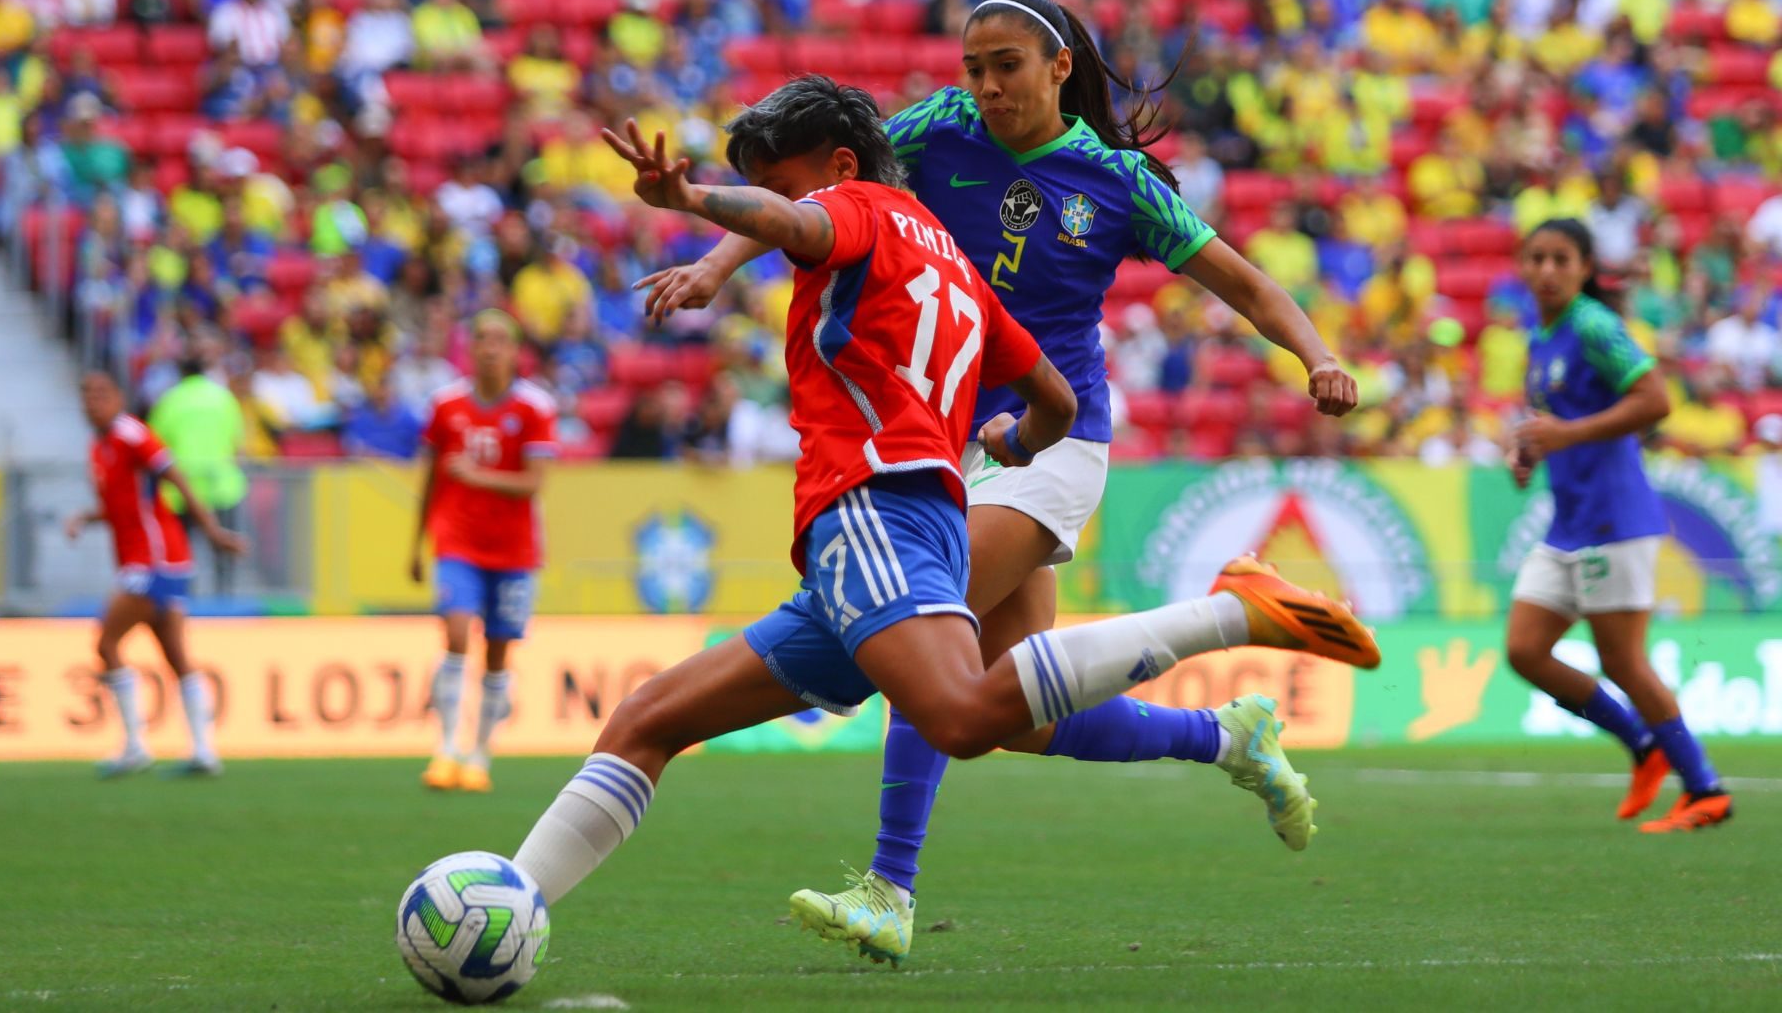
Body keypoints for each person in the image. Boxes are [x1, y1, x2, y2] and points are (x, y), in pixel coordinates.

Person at [504, 78, 1378, 956]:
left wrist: (690, 200)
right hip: (915, 510)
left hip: (876, 513)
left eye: (782, 184)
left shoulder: (858, 211)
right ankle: (513, 904)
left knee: (957, 713)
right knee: (655, 718)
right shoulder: (954, 260)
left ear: (841, 168)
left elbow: (803, 225)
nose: (774, 206)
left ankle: (1232, 612)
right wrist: (1019, 436)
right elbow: (1052, 392)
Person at [1506, 219, 1731, 833]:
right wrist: (1528, 451)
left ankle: (1705, 789)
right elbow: (1551, 420)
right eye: (1538, 259)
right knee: (1525, 649)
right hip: (1568, 521)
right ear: (1523, 268)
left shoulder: (1595, 326)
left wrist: (1568, 434)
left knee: (1626, 664)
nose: (1548, 270)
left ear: (1584, 269)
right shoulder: (1540, 340)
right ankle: (1640, 744)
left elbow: (1657, 401)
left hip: (1616, 519)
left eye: (1561, 259)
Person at [65, 372, 245, 777]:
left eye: (101, 392)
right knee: (175, 655)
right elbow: (121, 506)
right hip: (152, 560)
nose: (92, 401)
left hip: (155, 560)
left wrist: (212, 530)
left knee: (107, 643)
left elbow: (173, 475)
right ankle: (204, 751)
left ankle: (134, 747)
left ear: (119, 398)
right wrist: (85, 518)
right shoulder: (100, 447)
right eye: (86, 394)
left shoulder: (132, 434)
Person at [410, 312, 558, 794]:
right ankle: (447, 747)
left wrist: (477, 475)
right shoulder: (445, 404)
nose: (490, 347)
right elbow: (430, 476)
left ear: (515, 351)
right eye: (481, 338)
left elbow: (535, 484)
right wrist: (416, 542)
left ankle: (480, 753)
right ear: (469, 348)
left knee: (497, 653)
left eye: (500, 340)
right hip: (457, 541)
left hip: (514, 551)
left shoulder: (535, 407)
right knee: (454, 634)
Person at [148, 340, 247, 597]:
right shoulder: (223, 398)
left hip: (182, 491)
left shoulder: (170, 400)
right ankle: (226, 600)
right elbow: (237, 443)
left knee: (183, 553)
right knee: (223, 551)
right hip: (222, 486)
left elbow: (155, 445)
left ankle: (185, 603)